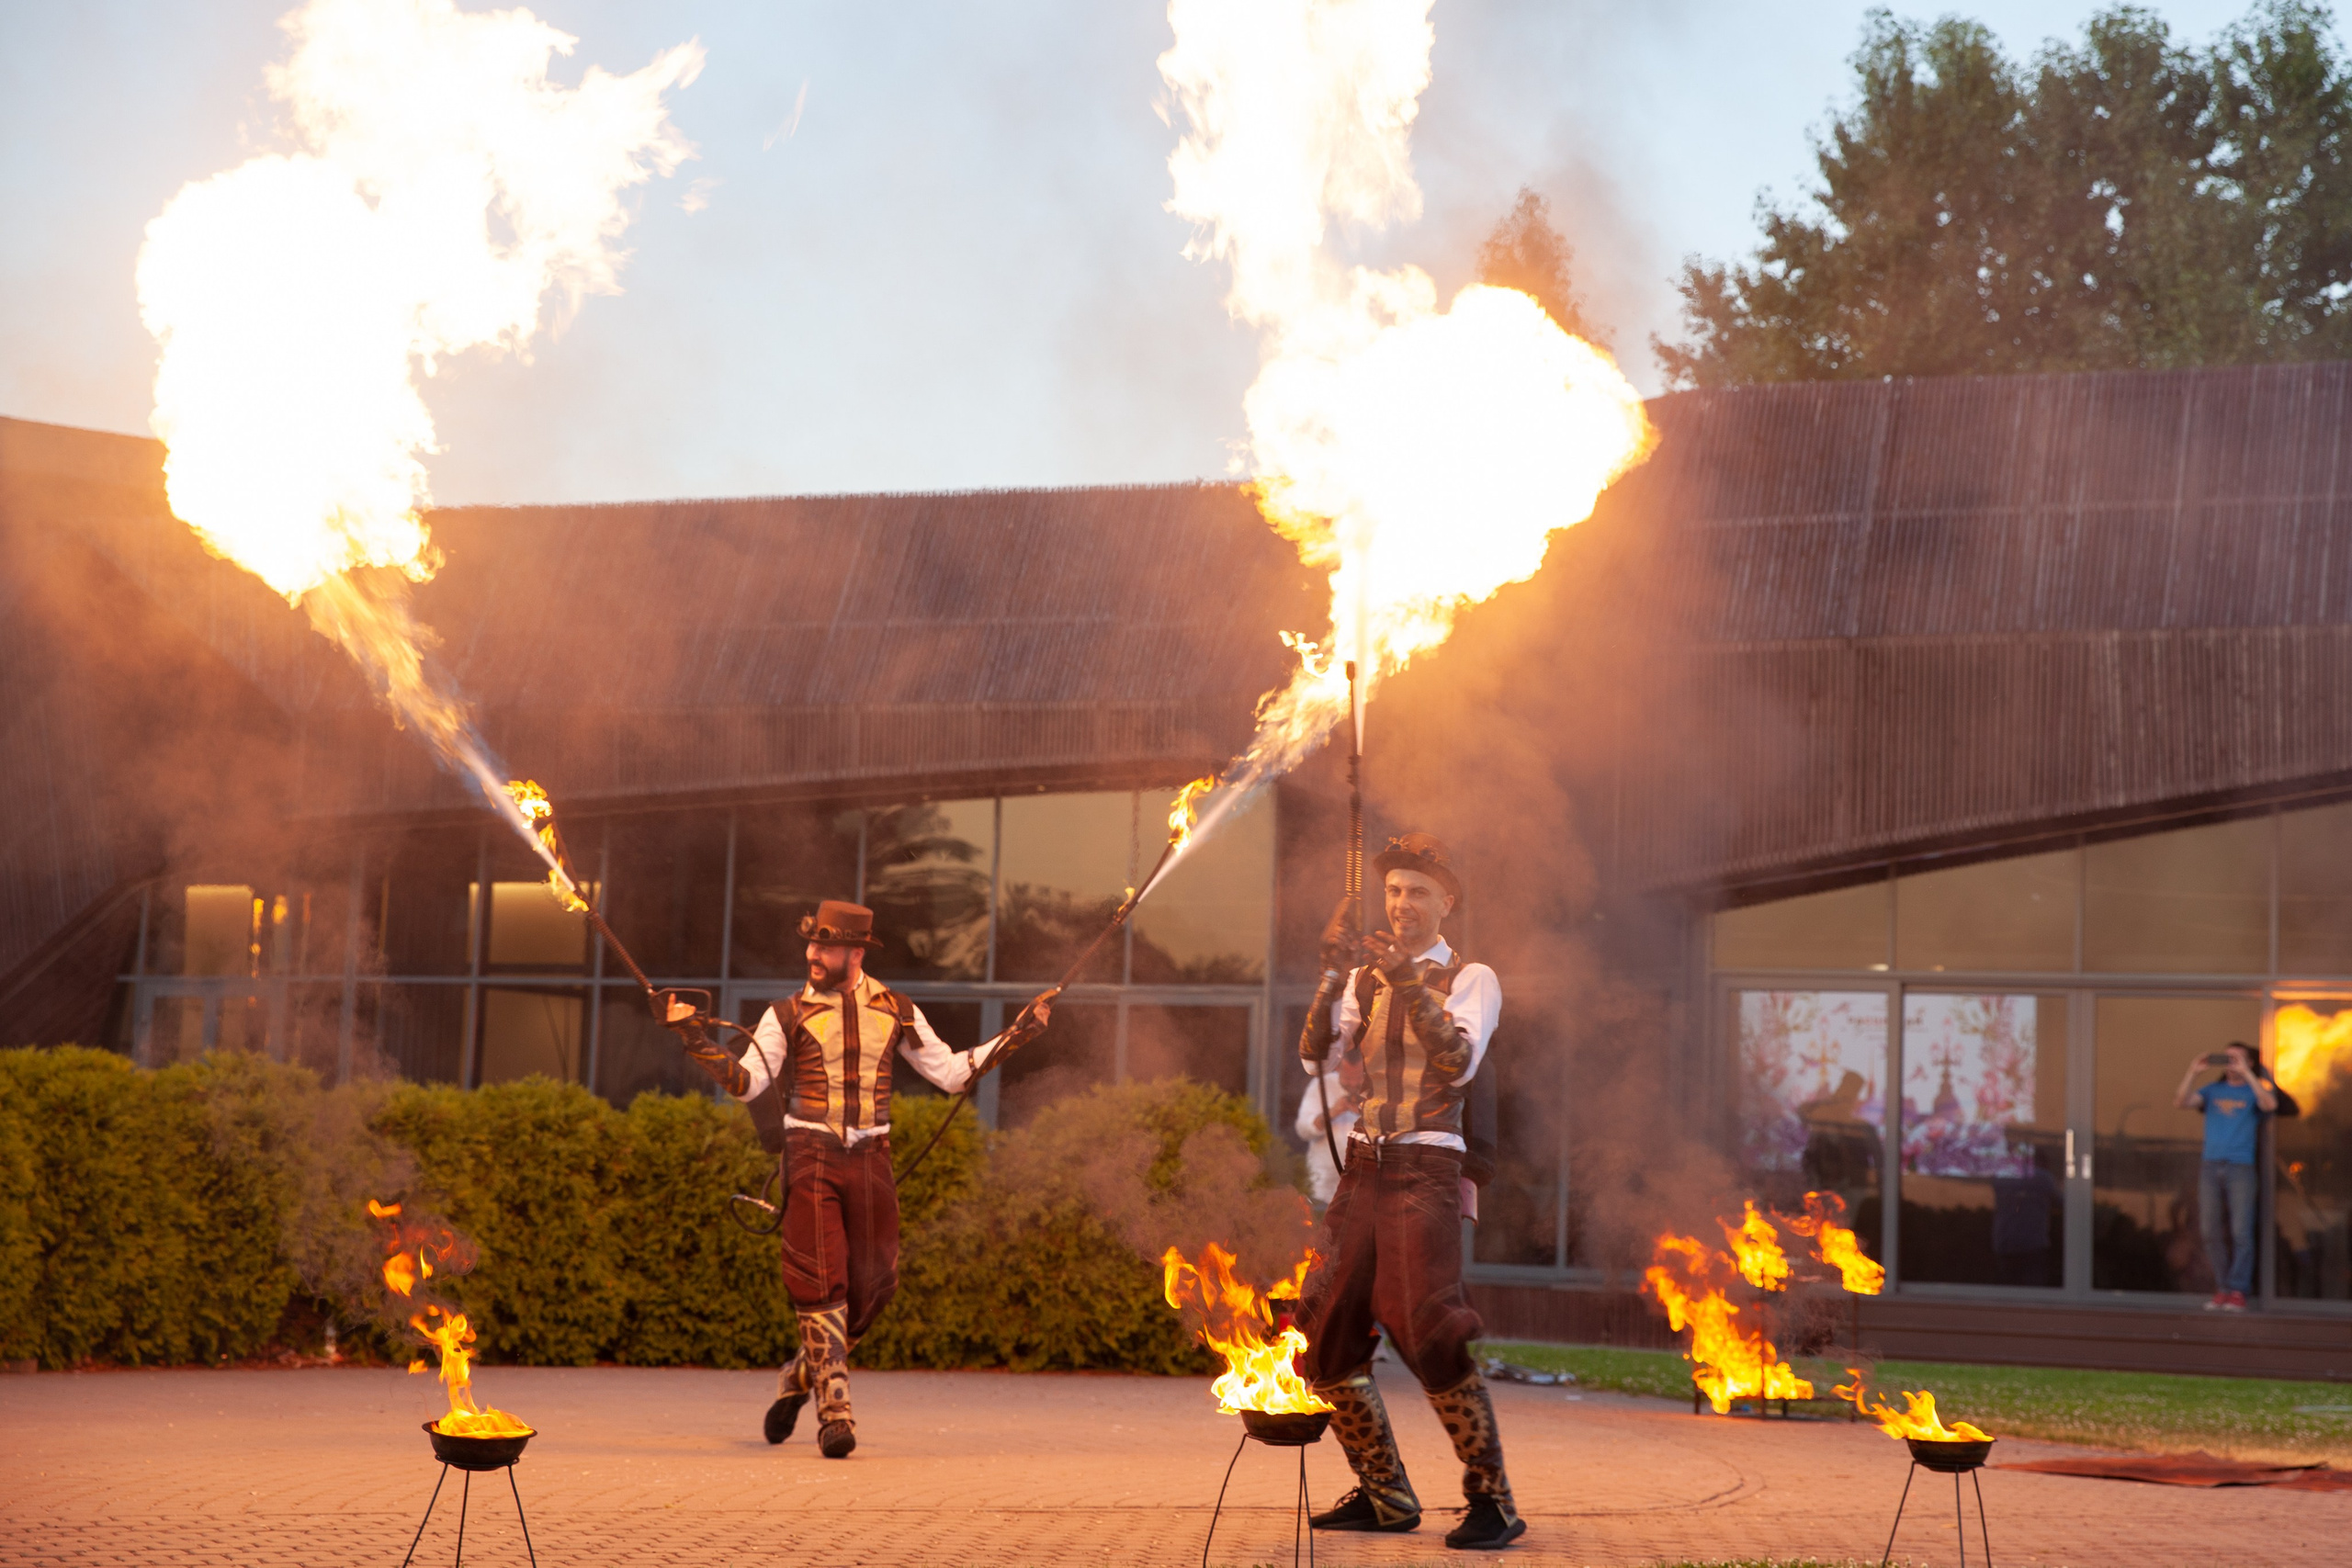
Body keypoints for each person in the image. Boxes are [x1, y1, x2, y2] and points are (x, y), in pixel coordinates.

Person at [666, 898, 1051, 1456]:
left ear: (854, 952)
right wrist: (694, 1039)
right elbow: (750, 1083)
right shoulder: (786, 1013)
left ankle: (803, 1373)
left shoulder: (898, 1010)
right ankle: (835, 1413)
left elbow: (949, 1074)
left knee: (875, 1287)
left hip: (872, 1158)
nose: (811, 954)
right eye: (811, 944)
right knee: (819, 1280)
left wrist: (1020, 1033)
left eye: (823, 946)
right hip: (810, 1151)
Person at [1295, 833, 1521, 1551]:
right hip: (1364, 1166)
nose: (1402, 904)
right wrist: (1334, 973)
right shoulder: (1366, 978)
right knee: (1324, 1330)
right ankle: (1386, 1492)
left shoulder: (1470, 977)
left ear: (1445, 901)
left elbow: (1455, 1063)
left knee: (1430, 1328)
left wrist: (1406, 978)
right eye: (1393, 890)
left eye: (1417, 891)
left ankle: (1493, 1499)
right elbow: (1312, 1052)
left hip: (1425, 1169)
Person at [2172, 1040, 2278, 1311]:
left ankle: (2238, 1291)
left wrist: (2250, 1075)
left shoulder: (2254, 1091)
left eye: (2237, 1059)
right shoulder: (2213, 1090)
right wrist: (2193, 1071)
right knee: (2209, 1230)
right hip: (2210, 1166)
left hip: (2240, 1166)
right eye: (2228, 1058)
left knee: (2241, 1231)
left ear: (2249, 1062)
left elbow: (2268, 1105)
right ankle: (2222, 1288)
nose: (2231, 1063)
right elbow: (2180, 1102)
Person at [1295, 1070, 1358, 1208]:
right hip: (1322, 1190)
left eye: (1358, 1078)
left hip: (1363, 1192)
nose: (1352, 1083)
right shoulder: (1322, 1085)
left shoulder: (1378, 1086)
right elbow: (1303, 1130)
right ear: (1339, 1067)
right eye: (1347, 1078)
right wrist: (1332, 1113)